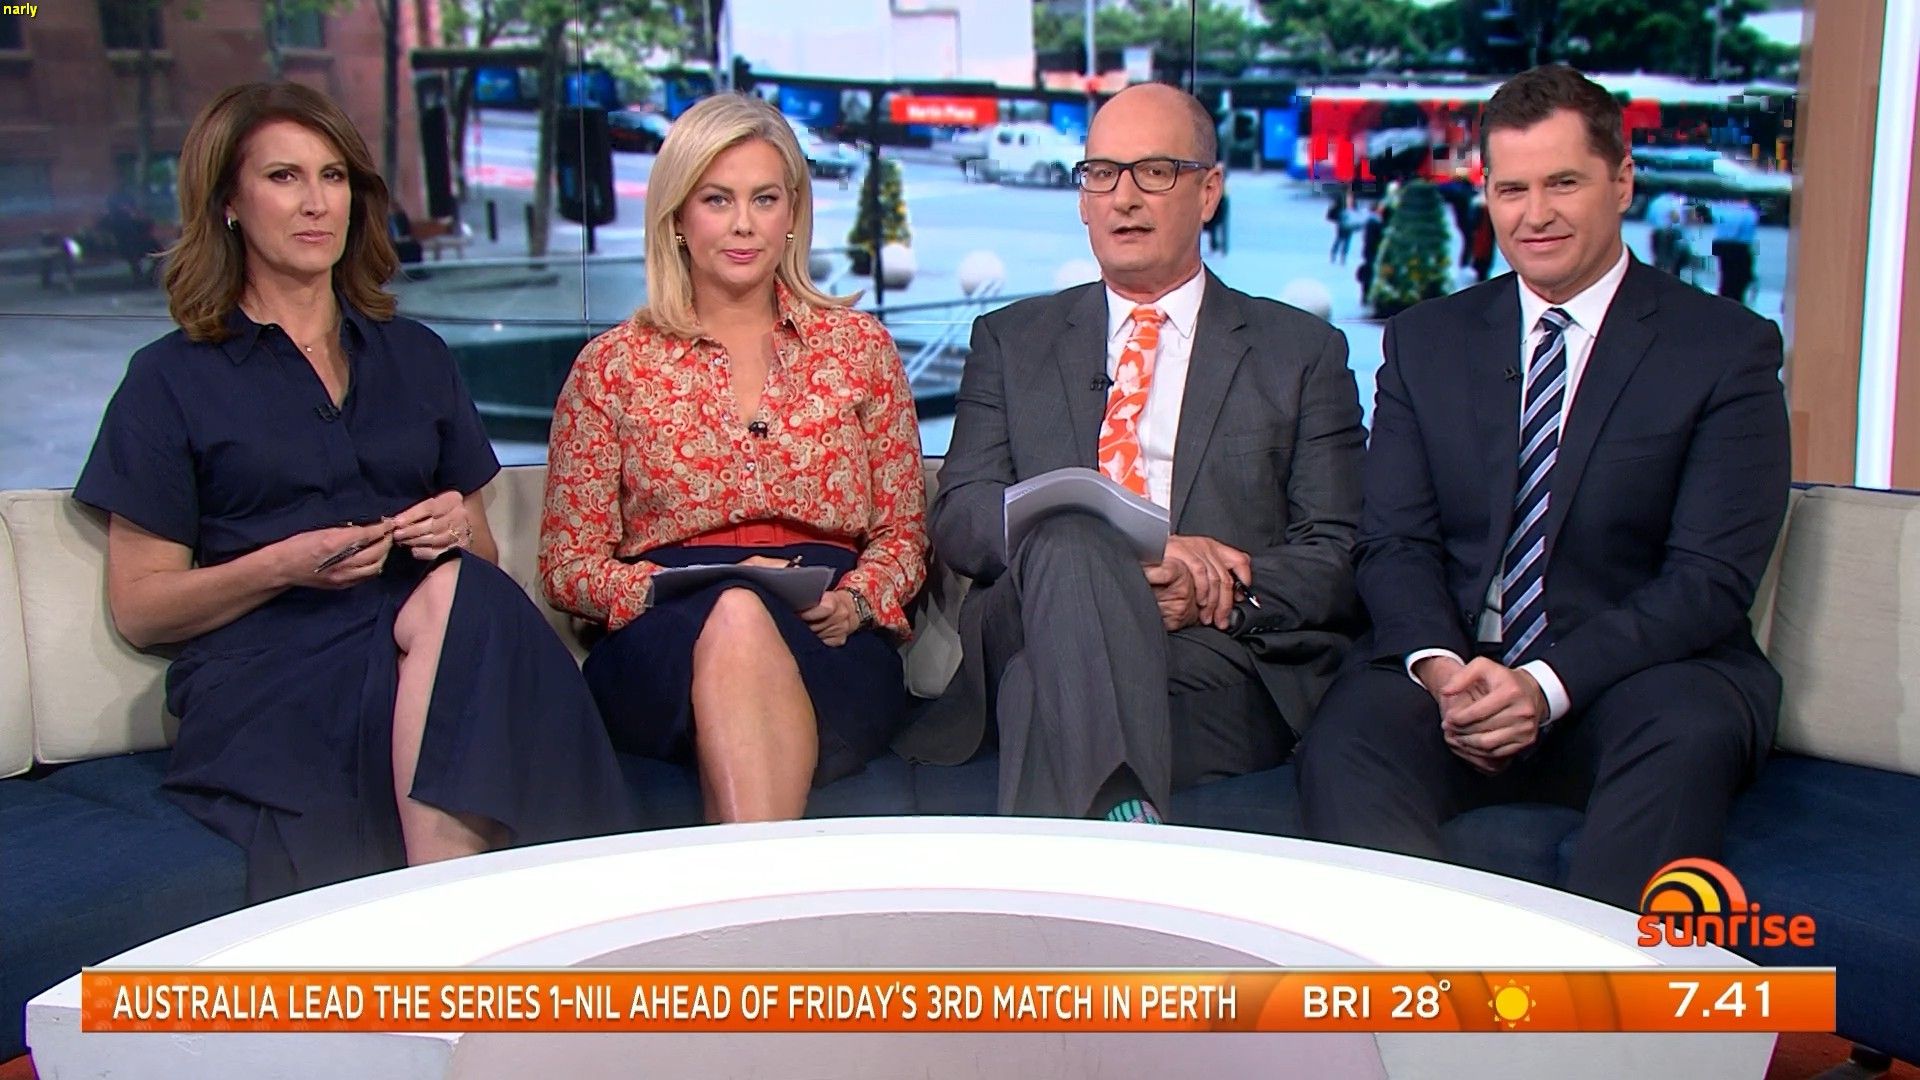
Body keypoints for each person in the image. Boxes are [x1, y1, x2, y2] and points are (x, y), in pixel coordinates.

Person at [72, 82, 634, 902]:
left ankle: (453, 918)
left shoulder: (417, 355)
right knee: (475, 652)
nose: (316, 203)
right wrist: (281, 566)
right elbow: (142, 608)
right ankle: (484, 922)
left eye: (332, 177)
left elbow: (481, 550)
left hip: (433, 638)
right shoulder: (168, 380)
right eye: (284, 177)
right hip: (275, 670)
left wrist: (451, 528)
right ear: (228, 202)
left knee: (468, 594)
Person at [1296, 65, 1790, 910]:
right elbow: (1395, 543)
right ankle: (1416, 980)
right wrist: (1444, 669)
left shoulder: (1723, 349)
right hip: (1461, 667)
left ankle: (1596, 994)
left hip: (1637, 675)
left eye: (1564, 183)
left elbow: (1707, 581)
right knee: (1350, 736)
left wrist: (1544, 684)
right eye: (1512, 189)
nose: (1536, 215)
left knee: (1685, 732)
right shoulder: (1427, 341)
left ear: (1622, 181)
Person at [893, 83, 1365, 824]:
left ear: (1209, 191)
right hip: (1029, 612)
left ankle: (1110, 825)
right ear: (1083, 200)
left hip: (1207, 647)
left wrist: (1217, 587)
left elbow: (1336, 552)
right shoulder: (1011, 341)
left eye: (1155, 171)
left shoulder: (1300, 353)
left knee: (1037, 689)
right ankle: (1123, 823)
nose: (1124, 198)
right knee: (1074, 531)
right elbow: (961, 517)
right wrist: (1127, 555)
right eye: (1102, 173)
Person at [539, 92, 927, 823]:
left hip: (825, 629)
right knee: (738, 612)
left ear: (792, 215)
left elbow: (903, 536)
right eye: (717, 199)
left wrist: (855, 602)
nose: (744, 223)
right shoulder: (613, 365)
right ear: (677, 219)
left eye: (765, 199)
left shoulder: (860, 349)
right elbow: (567, 565)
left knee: (750, 619)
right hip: (665, 632)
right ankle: (765, 886)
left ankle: (738, 885)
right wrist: (673, 588)